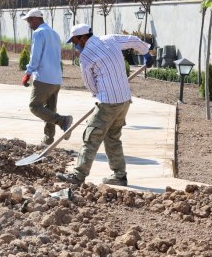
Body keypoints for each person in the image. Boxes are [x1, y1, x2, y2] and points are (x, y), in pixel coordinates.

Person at [57, 23, 150, 186]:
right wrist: (146, 53)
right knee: (112, 137)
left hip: (108, 101)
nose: (75, 45)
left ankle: (78, 176)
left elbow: (89, 83)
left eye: (75, 41)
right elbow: (133, 40)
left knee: (91, 137)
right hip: (124, 99)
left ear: (84, 37)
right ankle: (119, 175)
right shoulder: (110, 40)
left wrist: (98, 94)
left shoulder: (85, 56)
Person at [21, 8, 73, 146]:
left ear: (37, 19)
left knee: (34, 106)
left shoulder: (39, 33)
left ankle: (63, 121)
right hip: (56, 78)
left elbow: (35, 56)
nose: (29, 24)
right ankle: (48, 139)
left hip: (43, 77)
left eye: (30, 20)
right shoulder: (54, 34)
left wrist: (28, 73)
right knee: (50, 110)